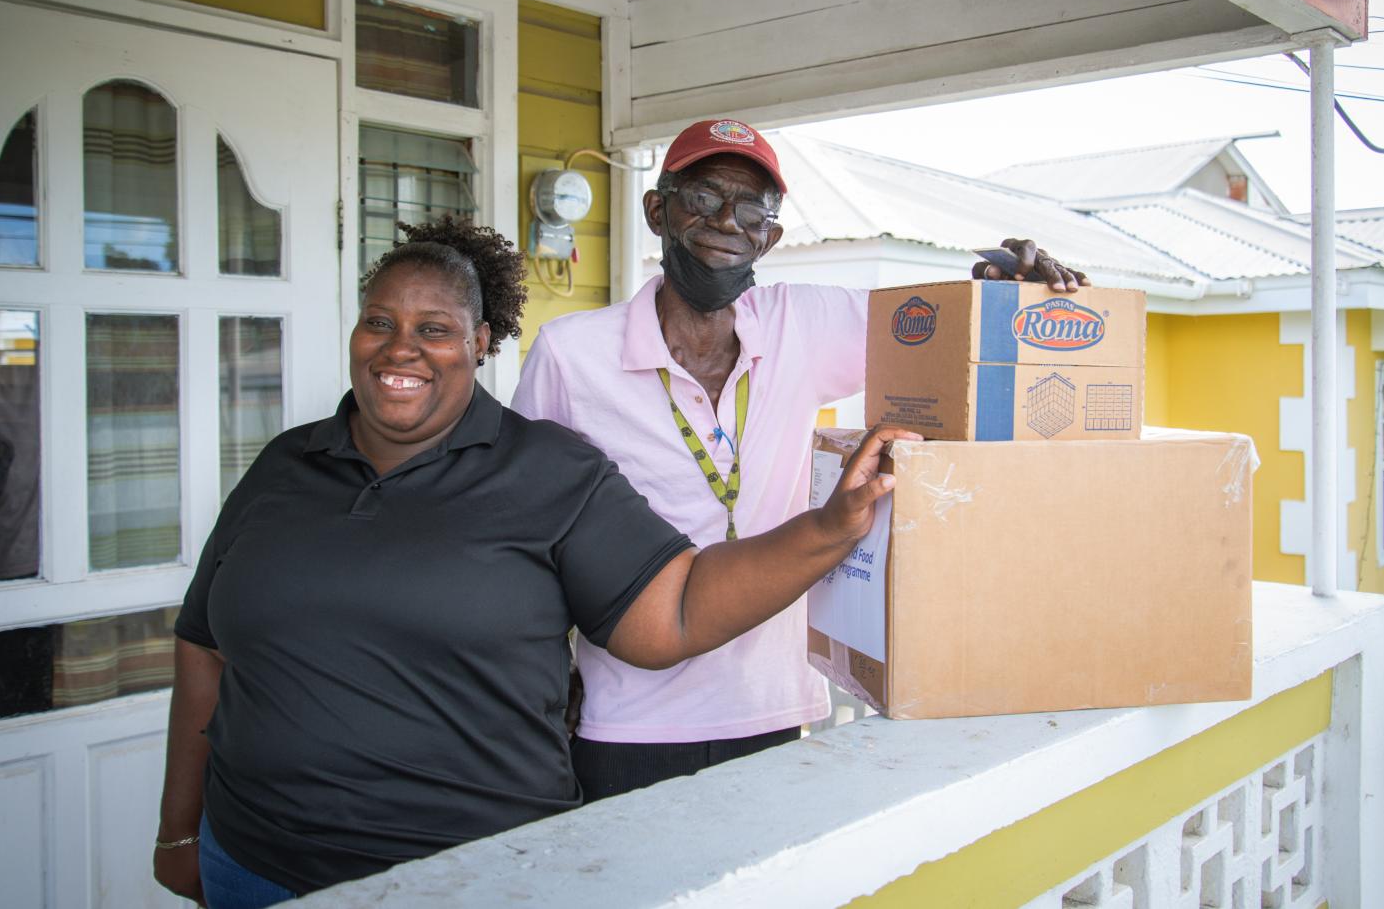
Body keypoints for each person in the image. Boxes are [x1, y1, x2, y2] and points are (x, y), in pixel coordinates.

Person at [153, 214, 915, 907]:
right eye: (379, 321)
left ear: (481, 343)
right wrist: (180, 831)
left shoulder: (548, 472)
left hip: (472, 877)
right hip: (251, 867)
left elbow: (677, 609)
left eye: (435, 328)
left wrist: (830, 525)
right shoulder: (284, 465)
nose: (400, 348)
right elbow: (203, 644)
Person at [512, 118, 1087, 800]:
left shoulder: (803, 323)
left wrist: (1005, 283)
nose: (727, 219)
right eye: (703, 195)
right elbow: (525, 533)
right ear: (657, 209)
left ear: (771, 237)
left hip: (773, 706)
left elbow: (937, 330)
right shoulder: (572, 354)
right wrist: (547, 677)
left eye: (753, 207)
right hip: (626, 722)